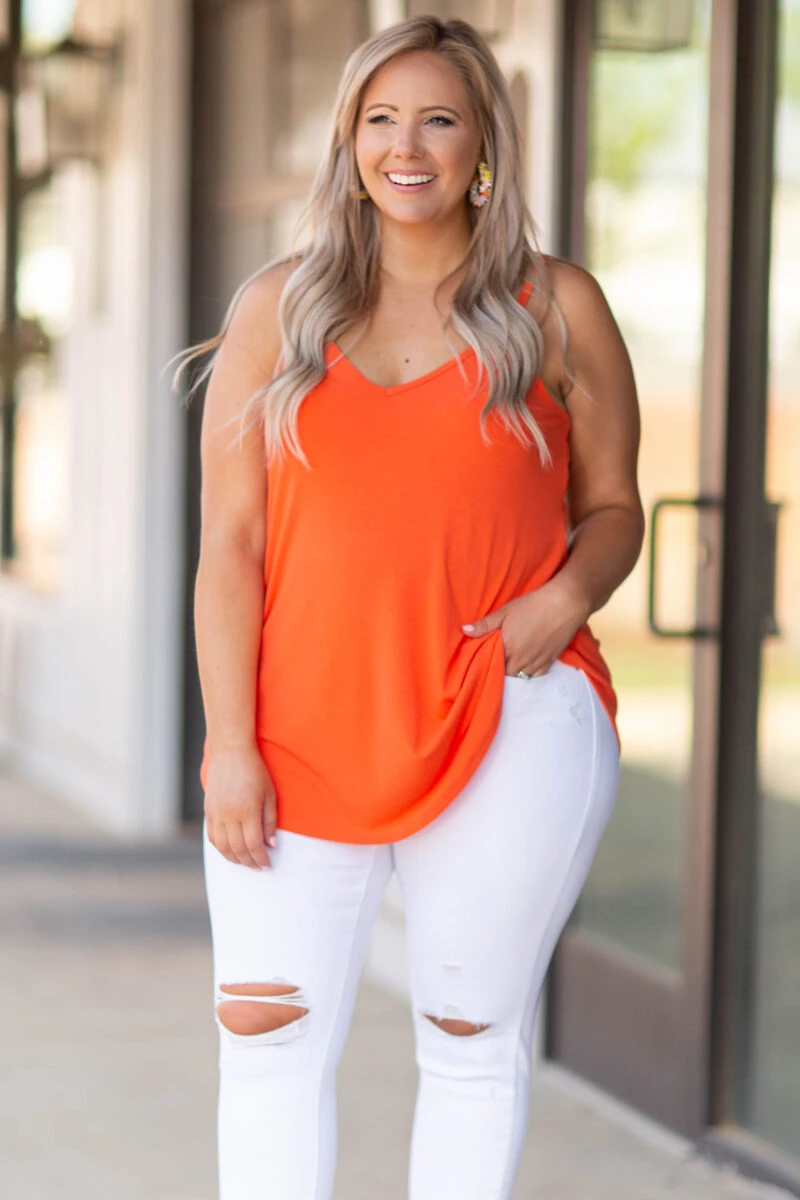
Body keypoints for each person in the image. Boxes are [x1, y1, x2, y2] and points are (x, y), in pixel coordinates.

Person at [177, 14, 644, 1200]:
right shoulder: (277, 309)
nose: (406, 146)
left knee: (469, 1040)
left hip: (506, 709)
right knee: (265, 1035)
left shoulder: (555, 307)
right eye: (379, 120)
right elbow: (229, 547)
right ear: (347, 143)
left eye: (438, 119)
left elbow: (613, 508)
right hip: (295, 730)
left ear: (483, 143)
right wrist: (229, 744)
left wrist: (563, 600)